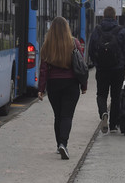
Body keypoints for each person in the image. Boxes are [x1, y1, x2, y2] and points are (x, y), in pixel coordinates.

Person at [37, 16, 87, 160]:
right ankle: (63, 143)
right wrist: (83, 85)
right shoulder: (74, 43)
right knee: (67, 116)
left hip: (54, 84)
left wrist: (41, 88)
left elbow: (43, 69)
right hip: (71, 84)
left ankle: (59, 144)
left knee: (58, 116)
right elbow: (81, 66)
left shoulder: (47, 45)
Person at [88, 6, 125, 134]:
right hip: (118, 69)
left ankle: (103, 112)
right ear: (115, 17)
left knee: (101, 94)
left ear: (103, 16)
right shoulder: (121, 31)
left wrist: (96, 62)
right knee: (116, 96)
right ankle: (113, 125)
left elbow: (91, 49)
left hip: (102, 69)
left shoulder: (97, 30)